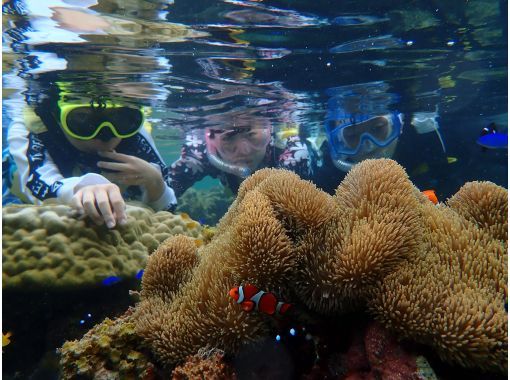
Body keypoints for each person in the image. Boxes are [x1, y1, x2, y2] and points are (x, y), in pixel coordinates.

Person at [7, 83, 177, 228]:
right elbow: (38, 187)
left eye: (121, 118)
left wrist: (156, 183)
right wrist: (83, 186)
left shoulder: (135, 132)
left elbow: (168, 208)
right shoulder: (32, 129)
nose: (105, 134)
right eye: (83, 118)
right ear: (55, 116)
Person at [168, 123, 313, 197]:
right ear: (213, 145)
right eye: (229, 138)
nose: (245, 151)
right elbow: (168, 189)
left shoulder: (290, 151)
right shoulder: (199, 154)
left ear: (268, 133)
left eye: (251, 135)